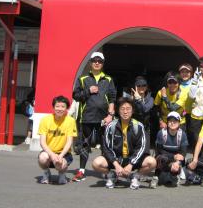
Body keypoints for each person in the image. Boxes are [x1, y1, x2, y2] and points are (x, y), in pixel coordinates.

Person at [92, 97, 156, 190]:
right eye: (122, 109)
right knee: (96, 163)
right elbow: (106, 148)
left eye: (128, 109)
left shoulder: (138, 126)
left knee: (152, 162)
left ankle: (135, 176)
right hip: (117, 159)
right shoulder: (111, 126)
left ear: (132, 111)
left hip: (132, 159)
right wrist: (116, 165)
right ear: (118, 111)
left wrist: (131, 164)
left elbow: (141, 148)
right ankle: (112, 175)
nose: (125, 112)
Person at [72, 52, 116, 182]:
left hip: (103, 118)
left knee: (105, 145)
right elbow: (75, 96)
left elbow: (112, 98)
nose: (97, 63)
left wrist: (110, 115)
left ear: (102, 64)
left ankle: (105, 170)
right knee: (85, 144)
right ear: (91, 63)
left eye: (100, 61)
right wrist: (88, 91)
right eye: (95, 61)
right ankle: (81, 171)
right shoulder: (83, 78)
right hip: (87, 117)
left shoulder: (108, 79)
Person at [38, 95, 77, 185]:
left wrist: (61, 155)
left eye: (63, 106)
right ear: (53, 107)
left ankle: (62, 174)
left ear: (67, 108)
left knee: (61, 164)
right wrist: (51, 154)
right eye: (57, 106)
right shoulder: (45, 120)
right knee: (43, 158)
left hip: (64, 153)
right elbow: (42, 142)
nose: (60, 109)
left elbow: (69, 142)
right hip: (49, 152)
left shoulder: (70, 121)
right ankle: (46, 173)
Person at [151, 111, 188, 188]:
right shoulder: (161, 133)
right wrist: (173, 157)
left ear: (179, 123)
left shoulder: (182, 134)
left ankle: (174, 176)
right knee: (162, 158)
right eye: (170, 121)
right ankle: (156, 176)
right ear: (167, 123)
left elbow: (183, 152)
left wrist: (177, 162)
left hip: (176, 159)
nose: (172, 123)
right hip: (164, 157)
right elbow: (159, 151)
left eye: (175, 121)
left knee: (180, 161)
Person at [131, 76, 154, 143]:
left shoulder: (150, 99)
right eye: (139, 85)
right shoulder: (131, 98)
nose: (141, 87)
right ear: (135, 87)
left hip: (145, 127)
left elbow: (146, 109)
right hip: (133, 127)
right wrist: (133, 100)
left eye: (144, 85)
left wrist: (138, 99)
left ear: (146, 87)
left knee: (145, 151)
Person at [178, 63, 194, 147]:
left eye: (187, 72)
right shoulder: (177, 84)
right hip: (181, 114)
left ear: (191, 73)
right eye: (182, 72)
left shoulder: (194, 84)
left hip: (193, 114)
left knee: (192, 133)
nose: (185, 74)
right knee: (182, 133)